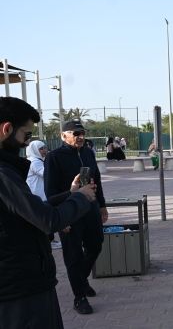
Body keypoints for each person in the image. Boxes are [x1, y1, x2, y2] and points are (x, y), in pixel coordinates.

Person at [0, 97, 97, 329]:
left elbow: (21, 215)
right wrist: (81, 198)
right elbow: (47, 219)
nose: (27, 143)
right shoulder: (4, 173)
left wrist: (72, 194)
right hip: (19, 288)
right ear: (6, 129)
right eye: (26, 136)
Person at [44, 119, 108, 315]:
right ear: (64, 136)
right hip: (69, 213)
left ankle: (80, 280)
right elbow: (50, 192)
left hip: (90, 209)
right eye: (75, 134)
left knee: (96, 244)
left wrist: (102, 205)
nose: (80, 137)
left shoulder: (88, 153)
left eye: (82, 133)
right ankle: (79, 296)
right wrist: (62, 218)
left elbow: (96, 180)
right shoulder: (54, 157)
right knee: (73, 255)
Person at [26, 140, 62, 250]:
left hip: (40, 195)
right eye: (41, 149)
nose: (44, 150)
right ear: (34, 150)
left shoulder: (37, 160)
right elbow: (46, 174)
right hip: (39, 195)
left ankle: (49, 240)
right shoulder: (34, 162)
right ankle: (49, 241)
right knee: (45, 219)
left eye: (44, 148)